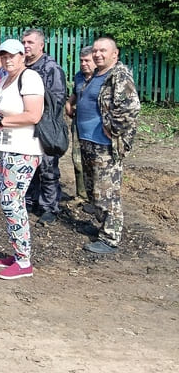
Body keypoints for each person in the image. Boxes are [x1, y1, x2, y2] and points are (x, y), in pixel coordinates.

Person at [0, 39, 44, 280]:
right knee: (10, 201)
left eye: (12, 55)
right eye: (4, 55)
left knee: (11, 202)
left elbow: (33, 115)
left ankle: (24, 261)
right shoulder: (5, 79)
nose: (7, 59)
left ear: (22, 56)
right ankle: (18, 254)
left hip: (22, 149)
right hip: (5, 148)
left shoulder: (30, 78)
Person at [76, 36, 140, 254]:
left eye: (103, 50)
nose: (97, 54)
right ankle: (101, 226)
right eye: (95, 50)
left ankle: (110, 238)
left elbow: (131, 107)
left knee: (107, 192)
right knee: (94, 189)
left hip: (105, 145)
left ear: (115, 53)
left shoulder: (119, 75)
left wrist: (112, 128)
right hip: (88, 141)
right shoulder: (97, 74)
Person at [22, 28, 67, 225]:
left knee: (48, 168)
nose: (26, 46)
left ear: (41, 45)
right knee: (29, 165)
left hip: (46, 125)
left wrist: (38, 110)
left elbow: (58, 99)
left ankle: (50, 207)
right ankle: (30, 200)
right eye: (24, 42)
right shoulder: (22, 66)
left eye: (30, 42)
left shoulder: (51, 68)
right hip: (26, 125)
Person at [65, 46, 94, 201]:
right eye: (81, 61)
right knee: (77, 160)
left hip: (96, 127)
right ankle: (82, 195)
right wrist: (69, 103)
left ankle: (95, 197)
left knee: (94, 162)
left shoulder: (102, 78)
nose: (83, 64)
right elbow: (76, 93)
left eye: (87, 61)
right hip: (78, 123)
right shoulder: (79, 76)